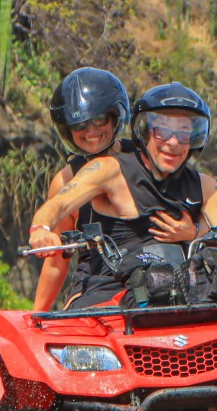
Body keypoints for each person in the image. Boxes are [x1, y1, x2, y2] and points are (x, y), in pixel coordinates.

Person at [28, 82, 217, 307]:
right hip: (107, 297)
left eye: (184, 133)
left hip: (177, 299)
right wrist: (40, 229)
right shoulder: (108, 169)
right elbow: (59, 203)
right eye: (163, 131)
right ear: (145, 132)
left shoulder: (207, 188)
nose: (173, 142)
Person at [33, 68, 196, 311]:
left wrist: (194, 232)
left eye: (99, 120)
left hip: (159, 281)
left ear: (115, 115)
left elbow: (192, 202)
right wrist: (37, 315)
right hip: (97, 287)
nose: (91, 132)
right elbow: (57, 259)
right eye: (80, 125)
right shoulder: (66, 180)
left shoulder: (146, 159)